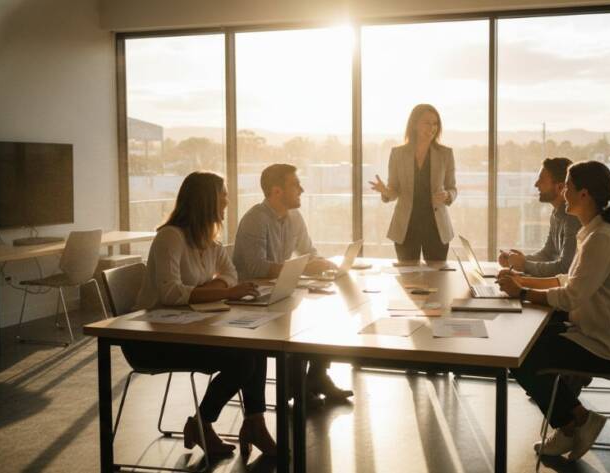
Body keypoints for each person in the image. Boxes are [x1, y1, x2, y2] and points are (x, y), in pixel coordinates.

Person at [497, 160, 610, 461]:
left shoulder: (599, 239)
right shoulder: (594, 232)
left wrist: (524, 292)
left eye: (569, 187)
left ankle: (573, 423)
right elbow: (568, 280)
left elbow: (571, 296)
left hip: (605, 343)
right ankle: (575, 419)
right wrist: (522, 280)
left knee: (523, 356)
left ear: (585, 195)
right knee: (528, 343)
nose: (564, 192)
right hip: (598, 328)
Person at [129, 171, 277, 459]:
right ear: (206, 200)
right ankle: (203, 423)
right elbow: (171, 294)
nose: (227, 199)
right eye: (223, 193)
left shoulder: (208, 239)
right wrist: (221, 291)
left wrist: (210, 288)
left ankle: (253, 423)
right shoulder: (170, 237)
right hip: (152, 340)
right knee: (244, 359)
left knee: (255, 348)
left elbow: (231, 275)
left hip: (190, 327)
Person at [234, 163, 353, 404]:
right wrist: (302, 269)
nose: (302, 189)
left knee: (326, 311)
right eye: (295, 185)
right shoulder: (255, 219)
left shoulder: (294, 217)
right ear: (277, 191)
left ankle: (316, 377)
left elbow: (308, 252)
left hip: (279, 292)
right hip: (251, 298)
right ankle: (295, 386)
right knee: (302, 320)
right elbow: (256, 268)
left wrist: (324, 265)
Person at [369, 104, 457, 262]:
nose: (432, 128)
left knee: (438, 279)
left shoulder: (445, 154)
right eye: (427, 123)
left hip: (437, 228)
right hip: (406, 228)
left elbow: (452, 188)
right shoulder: (398, 154)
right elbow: (394, 190)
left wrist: (447, 195)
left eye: (435, 124)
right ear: (415, 124)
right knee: (407, 280)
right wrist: (385, 191)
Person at [498, 157, 580, 277]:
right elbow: (547, 254)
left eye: (541, 180)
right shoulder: (556, 214)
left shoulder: (572, 218)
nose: (536, 184)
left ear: (560, 187)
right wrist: (518, 260)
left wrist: (524, 265)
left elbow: (565, 268)